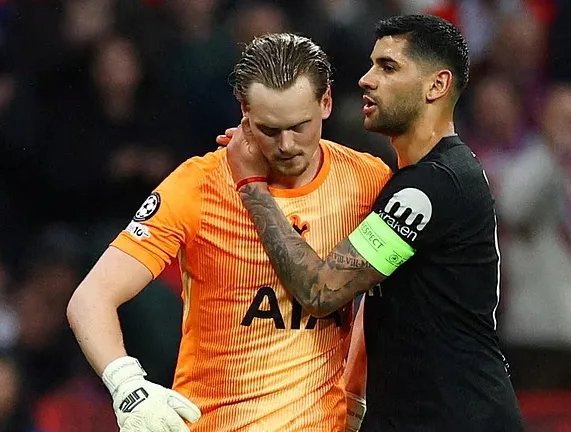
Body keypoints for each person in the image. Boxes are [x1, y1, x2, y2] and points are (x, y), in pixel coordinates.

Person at [66, 33, 392, 432]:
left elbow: (382, 299)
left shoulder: (367, 180)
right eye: (269, 129)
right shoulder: (199, 184)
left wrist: (355, 390)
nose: (286, 145)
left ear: (325, 103)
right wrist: (128, 386)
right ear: (244, 112)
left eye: (299, 126)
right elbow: (90, 298)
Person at [226, 15, 525, 431]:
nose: (366, 80)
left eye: (388, 67)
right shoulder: (419, 178)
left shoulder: (431, 187)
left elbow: (320, 291)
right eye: (371, 65)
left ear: (436, 86)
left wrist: (252, 187)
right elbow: (379, 300)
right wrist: (355, 395)